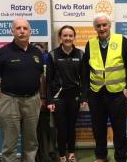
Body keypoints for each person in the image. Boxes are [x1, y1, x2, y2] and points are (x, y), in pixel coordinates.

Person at [0, 18, 45, 162]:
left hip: (33, 101)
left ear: (30, 31)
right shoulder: (3, 52)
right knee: (9, 144)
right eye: (18, 28)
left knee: (31, 142)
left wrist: (42, 97)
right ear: (12, 31)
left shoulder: (37, 52)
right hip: (9, 101)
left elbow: (41, 77)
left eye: (25, 28)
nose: (22, 31)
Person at [82, 13, 127, 162]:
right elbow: (85, 70)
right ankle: (101, 156)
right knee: (98, 128)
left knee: (119, 128)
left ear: (110, 25)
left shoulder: (121, 40)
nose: (101, 28)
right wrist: (86, 93)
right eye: (98, 25)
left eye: (104, 24)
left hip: (118, 94)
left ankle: (120, 157)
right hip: (96, 94)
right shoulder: (90, 43)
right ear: (95, 28)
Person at [46, 25, 84, 162]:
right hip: (58, 99)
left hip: (74, 98)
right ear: (60, 38)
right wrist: (49, 101)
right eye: (65, 35)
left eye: (70, 35)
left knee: (71, 127)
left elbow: (84, 78)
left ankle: (72, 153)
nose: (67, 38)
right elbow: (48, 80)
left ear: (74, 37)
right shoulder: (52, 55)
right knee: (61, 128)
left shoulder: (80, 54)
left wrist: (83, 97)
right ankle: (62, 155)